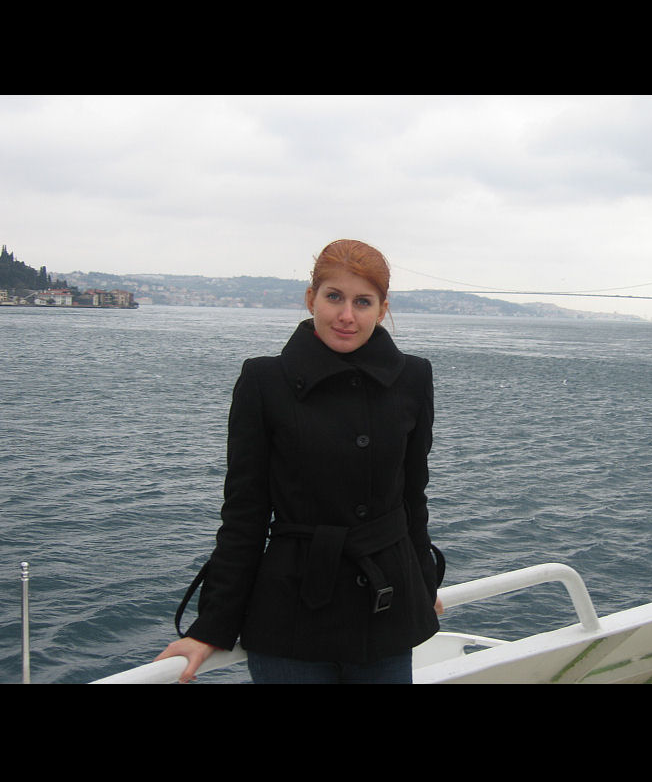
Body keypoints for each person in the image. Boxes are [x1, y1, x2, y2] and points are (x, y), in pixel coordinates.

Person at [155, 239, 444, 684]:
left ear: (382, 309)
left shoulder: (413, 378)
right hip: (291, 612)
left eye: (362, 302)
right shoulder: (264, 381)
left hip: (384, 609)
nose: (346, 315)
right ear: (311, 299)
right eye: (334, 297)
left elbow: (411, 497)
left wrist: (424, 584)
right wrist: (211, 625)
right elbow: (245, 513)